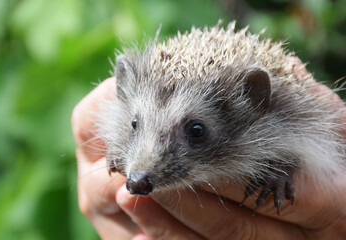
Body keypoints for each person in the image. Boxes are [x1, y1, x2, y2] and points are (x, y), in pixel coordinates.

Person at [72, 57, 346, 239]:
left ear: (253, 103)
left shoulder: (279, 129)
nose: (140, 171)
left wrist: (282, 171)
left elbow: (302, 147)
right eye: (136, 125)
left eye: (195, 132)